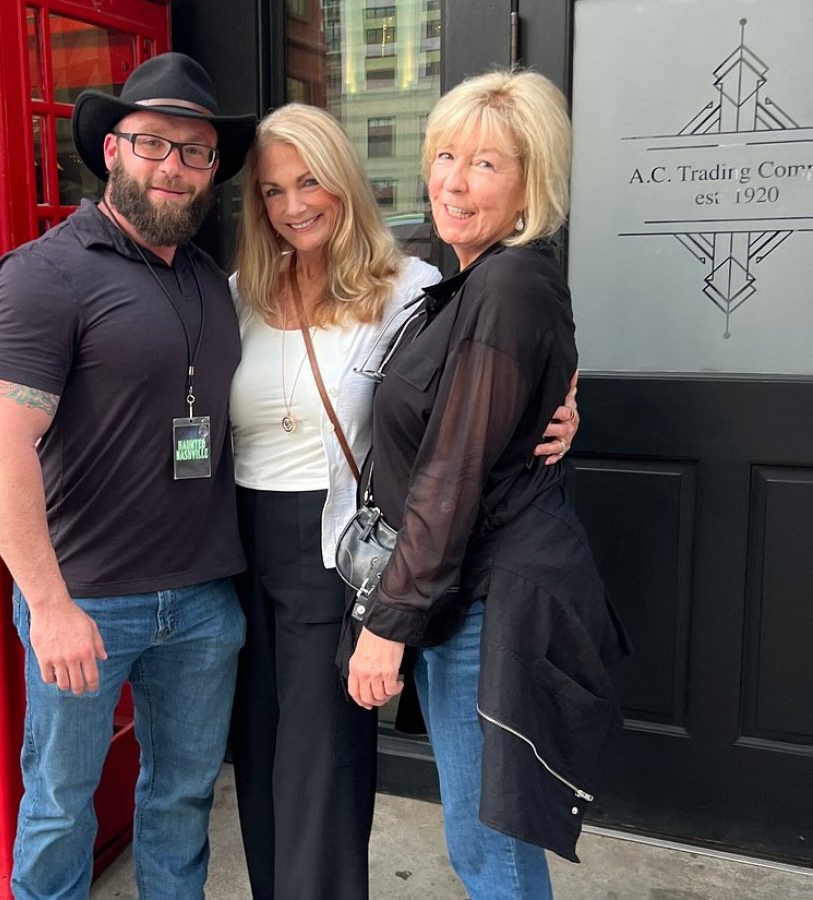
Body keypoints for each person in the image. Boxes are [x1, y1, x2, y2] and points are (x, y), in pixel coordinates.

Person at [227, 103, 579, 900]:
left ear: (346, 183)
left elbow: (485, 398)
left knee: (326, 760)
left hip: (341, 545)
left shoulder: (412, 286)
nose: (294, 205)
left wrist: (563, 408)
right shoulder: (238, 293)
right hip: (243, 546)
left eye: (311, 180)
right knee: (257, 748)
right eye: (274, 190)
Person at [0, 53, 256, 900]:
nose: (173, 166)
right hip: (85, 598)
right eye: (152, 143)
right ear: (112, 151)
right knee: (60, 805)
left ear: (211, 171)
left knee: (182, 799)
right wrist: (50, 606)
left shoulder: (211, 280)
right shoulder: (44, 274)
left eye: (195, 152)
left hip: (204, 599)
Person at [345, 71, 632, 899]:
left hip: (483, 600)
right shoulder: (467, 286)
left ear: (531, 182)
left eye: (486, 165)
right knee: (485, 838)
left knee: (491, 846)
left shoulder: (505, 285)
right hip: (462, 591)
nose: (453, 183)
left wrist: (386, 627)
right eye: (444, 156)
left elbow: (454, 473)